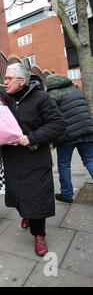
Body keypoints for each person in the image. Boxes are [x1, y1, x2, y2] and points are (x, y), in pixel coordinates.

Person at [0, 63, 66, 256]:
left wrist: (32, 137)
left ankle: (39, 234)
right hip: (13, 157)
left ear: (22, 81)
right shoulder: (4, 100)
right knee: (19, 193)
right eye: (5, 78)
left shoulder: (41, 98)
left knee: (37, 197)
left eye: (8, 78)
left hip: (35, 158)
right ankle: (26, 214)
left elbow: (58, 123)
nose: (4, 82)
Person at [45, 74, 93, 203]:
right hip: (87, 129)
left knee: (64, 164)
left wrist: (51, 138)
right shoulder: (75, 88)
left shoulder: (52, 93)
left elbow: (52, 116)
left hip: (67, 134)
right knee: (90, 160)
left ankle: (67, 194)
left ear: (49, 83)